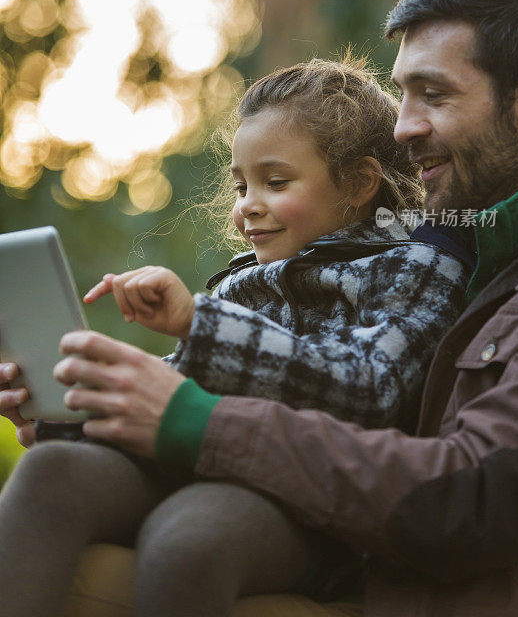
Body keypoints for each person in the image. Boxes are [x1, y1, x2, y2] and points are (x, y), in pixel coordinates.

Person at [0, 56, 470, 617]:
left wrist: (200, 324)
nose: (248, 204)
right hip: (196, 465)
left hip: (310, 507)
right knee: (51, 471)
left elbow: (372, 386)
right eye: (241, 184)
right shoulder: (240, 284)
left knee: (190, 539)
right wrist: (65, 409)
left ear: (359, 183)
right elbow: (171, 399)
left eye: (275, 182)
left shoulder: (416, 264)